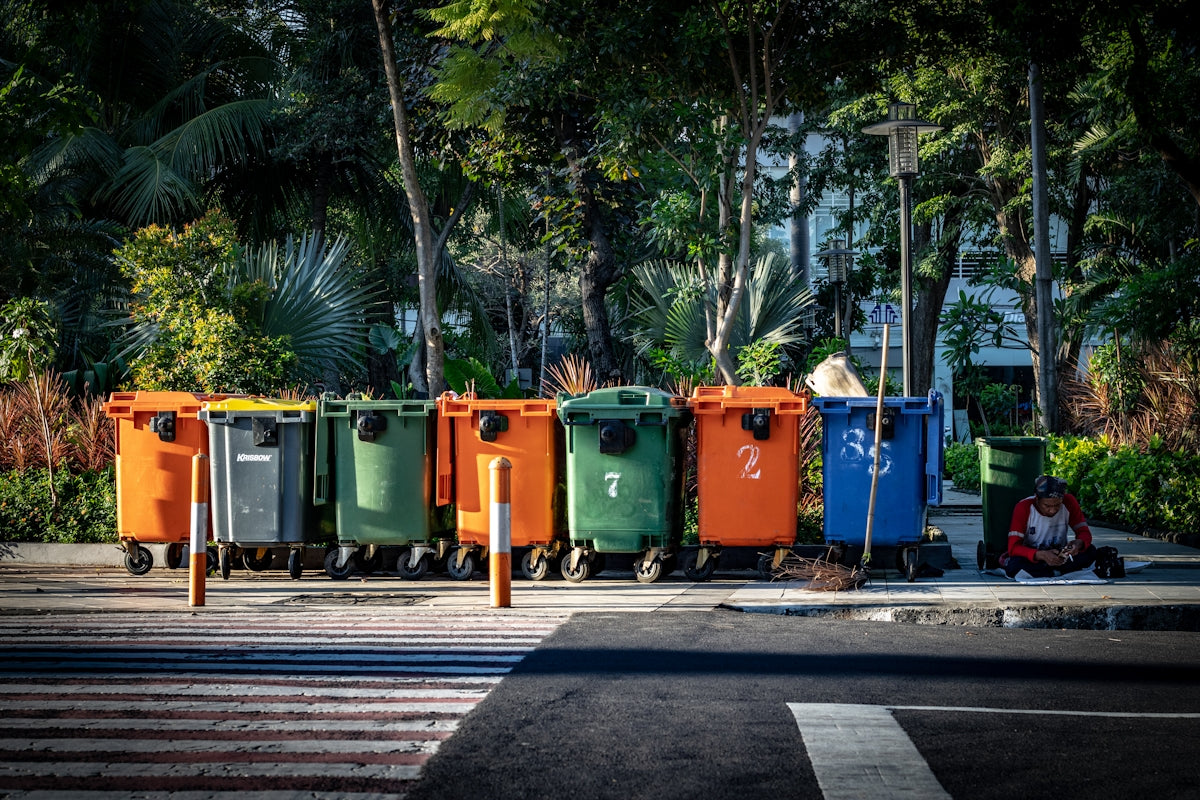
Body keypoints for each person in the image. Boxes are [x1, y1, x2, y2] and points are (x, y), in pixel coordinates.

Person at [1000, 475, 1097, 578]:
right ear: (1037, 498)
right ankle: (1058, 572)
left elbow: (1084, 532)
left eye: (1057, 505)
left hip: (1060, 555)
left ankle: (1052, 572)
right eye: (1047, 506)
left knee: (1090, 550)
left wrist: (1078, 544)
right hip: (1034, 557)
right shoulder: (1024, 507)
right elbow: (1013, 548)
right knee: (1015, 565)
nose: (1053, 510)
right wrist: (1041, 555)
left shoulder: (1069, 502)